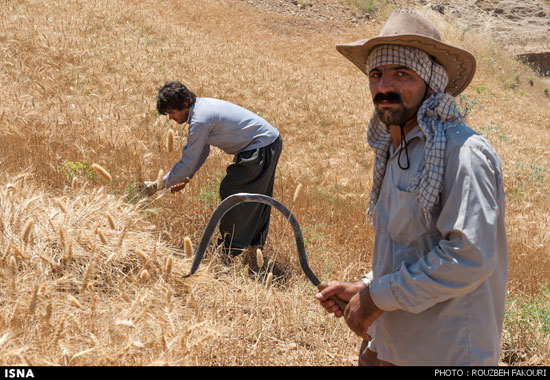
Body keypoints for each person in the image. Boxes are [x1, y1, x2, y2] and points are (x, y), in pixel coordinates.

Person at [316, 10, 508, 366]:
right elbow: (410, 245)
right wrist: (366, 287)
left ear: (432, 81)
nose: (384, 86)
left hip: (443, 352)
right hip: (387, 344)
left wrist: (376, 298)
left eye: (401, 73)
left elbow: (468, 256)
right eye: (376, 74)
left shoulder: (462, 152)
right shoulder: (396, 150)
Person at [143, 81, 282, 258]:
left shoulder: (200, 119)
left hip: (261, 146)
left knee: (234, 193)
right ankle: (253, 249)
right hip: (265, 144)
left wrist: (157, 185)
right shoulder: (200, 109)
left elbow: (187, 162)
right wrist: (186, 178)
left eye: (172, 112)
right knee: (253, 197)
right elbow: (201, 151)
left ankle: (229, 251)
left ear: (184, 104)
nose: (170, 118)